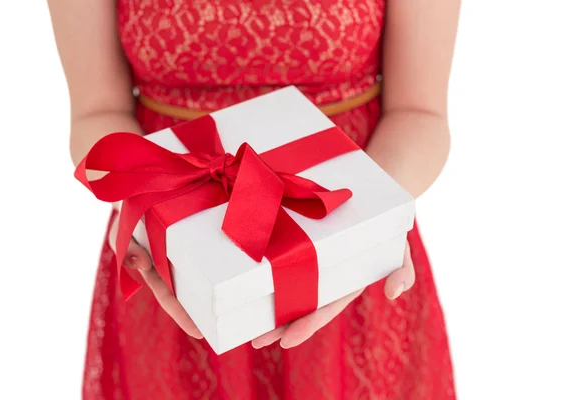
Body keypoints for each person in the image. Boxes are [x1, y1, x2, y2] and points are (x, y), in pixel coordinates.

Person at [48, 0, 460, 398]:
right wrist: (147, 211)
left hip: (343, 243)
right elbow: (97, 111)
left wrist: (371, 221)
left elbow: (418, 112)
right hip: (175, 259)